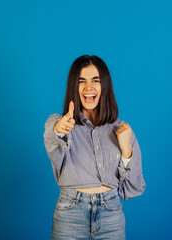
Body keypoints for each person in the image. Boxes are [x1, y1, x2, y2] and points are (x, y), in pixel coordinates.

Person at [43, 55, 145, 239]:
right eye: (81, 81)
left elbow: (133, 188)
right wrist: (59, 130)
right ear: (74, 87)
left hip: (111, 215)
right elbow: (51, 139)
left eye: (95, 80)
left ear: (104, 86)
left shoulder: (122, 129)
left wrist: (126, 151)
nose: (88, 87)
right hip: (70, 214)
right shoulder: (60, 123)